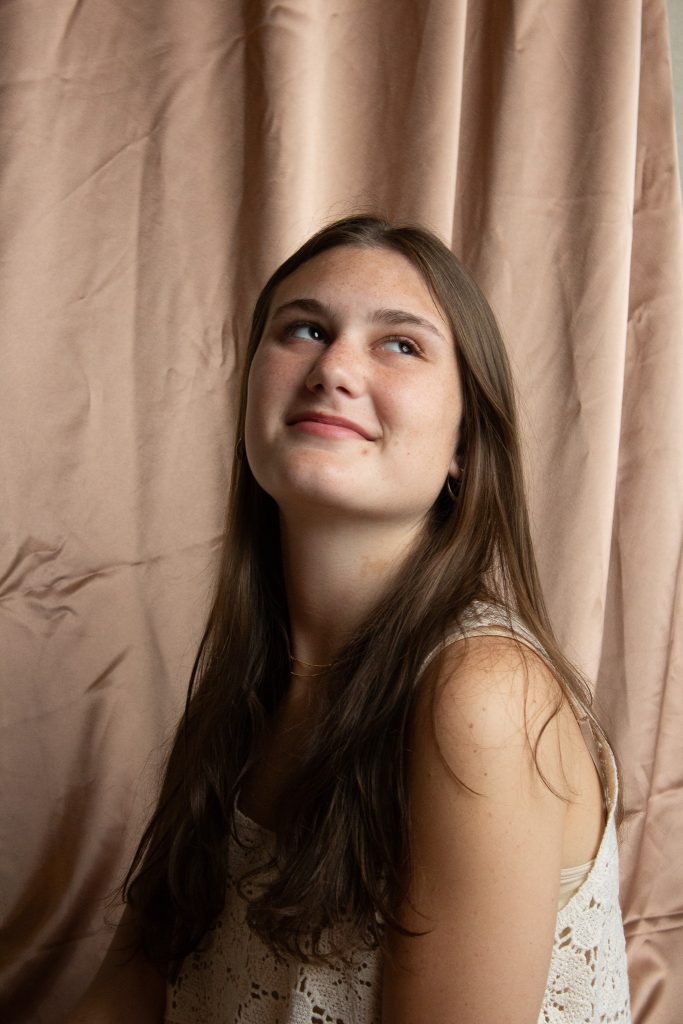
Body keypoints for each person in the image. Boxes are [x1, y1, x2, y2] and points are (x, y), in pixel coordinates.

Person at [67, 215, 632, 1023]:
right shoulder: (240, 693)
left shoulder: (479, 696)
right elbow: (125, 994)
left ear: (463, 449)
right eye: (304, 328)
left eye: (400, 344)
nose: (333, 367)